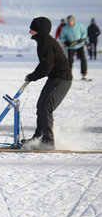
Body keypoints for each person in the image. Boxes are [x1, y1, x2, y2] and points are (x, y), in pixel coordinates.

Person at [23, 17, 73, 150]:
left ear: (40, 30)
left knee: (46, 107)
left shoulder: (46, 43)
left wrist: (32, 76)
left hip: (62, 79)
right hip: (54, 78)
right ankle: (38, 137)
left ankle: (48, 142)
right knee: (41, 106)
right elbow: (44, 65)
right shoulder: (43, 41)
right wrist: (32, 75)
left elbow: (46, 68)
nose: (29, 32)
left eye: (32, 29)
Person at [61, 15, 88, 80]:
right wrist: (66, 42)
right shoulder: (65, 28)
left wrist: (81, 39)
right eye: (68, 21)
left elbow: (85, 33)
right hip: (71, 47)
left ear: (74, 21)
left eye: (70, 21)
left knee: (83, 59)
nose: (69, 23)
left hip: (79, 45)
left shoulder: (79, 26)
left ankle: (84, 74)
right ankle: (68, 74)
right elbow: (63, 37)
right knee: (69, 60)